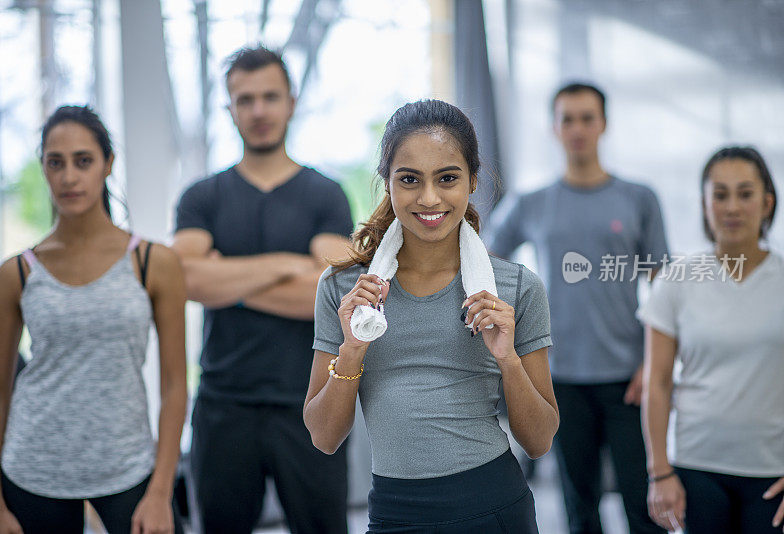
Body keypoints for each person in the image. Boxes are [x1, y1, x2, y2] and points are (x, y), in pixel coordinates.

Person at [304, 99, 559, 533]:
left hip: (494, 505)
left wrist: (508, 360)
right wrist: (352, 351)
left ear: (473, 180)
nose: (429, 198)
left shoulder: (514, 289)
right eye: (409, 179)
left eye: (447, 179)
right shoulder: (346, 291)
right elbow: (324, 438)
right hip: (394, 511)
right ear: (388, 184)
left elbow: (538, 442)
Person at [172, 46, 353, 533]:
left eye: (270, 97)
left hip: (309, 402)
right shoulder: (202, 198)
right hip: (222, 406)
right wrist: (287, 266)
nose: (258, 111)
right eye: (245, 99)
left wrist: (224, 279)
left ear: (291, 102)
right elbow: (183, 278)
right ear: (228, 109)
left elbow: (332, 294)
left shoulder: (324, 195)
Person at [0, 105, 187, 534]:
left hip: (129, 467)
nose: (69, 177)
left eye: (83, 161)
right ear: (43, 168)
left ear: (108, 164)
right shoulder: (15, 274)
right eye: (55, 163)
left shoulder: (154, 262)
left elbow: (174, 385)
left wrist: (160, 492)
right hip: (31, 470)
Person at [486, 82, 668, 534]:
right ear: (555, 128)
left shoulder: (638, 198)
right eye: (568, 119)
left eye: (587, 118)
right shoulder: (533, 203)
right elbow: (483, 260)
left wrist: (655, 364)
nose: (578, 128)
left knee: (642, 503)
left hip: (629, 378)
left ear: (603, 124)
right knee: (577, 505)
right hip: (559, 376)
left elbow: (663, 284)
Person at [638, 146, 783, 533]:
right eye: (720, 195)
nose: (732, 206)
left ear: (767, 202)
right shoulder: (676, 280)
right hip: (696, 469)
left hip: (773, 470)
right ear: (705, 204)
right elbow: (658, 383)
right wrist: (659, 472)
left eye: (745, 193)